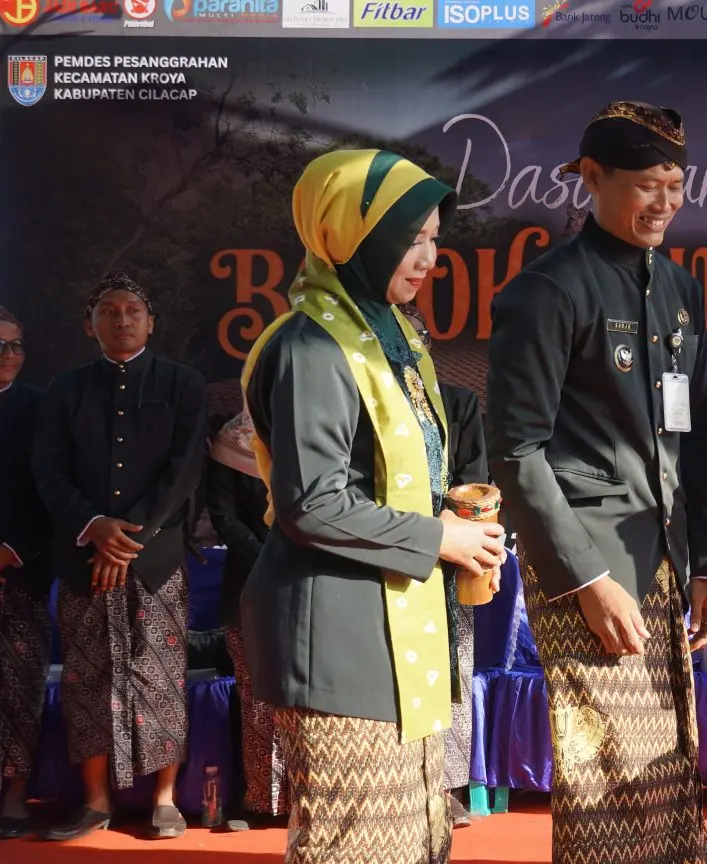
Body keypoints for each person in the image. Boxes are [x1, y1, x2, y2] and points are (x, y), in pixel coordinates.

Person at [240, 149, 506, 864]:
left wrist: (463, 522)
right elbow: (312, 504)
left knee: (415, 836)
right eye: (407, 237)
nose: (426, 258)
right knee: (357, 842)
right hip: (340, 633)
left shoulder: (392, 339)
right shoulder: (312, 346)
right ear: (348, 235)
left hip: (399, 620)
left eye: (433, 240)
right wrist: (440, 539)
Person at [485, 101, 707, 864]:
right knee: (607, 769)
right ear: (592, 178)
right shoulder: (547, 291)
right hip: (588, 563)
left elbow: (699, 436)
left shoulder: (680, 291)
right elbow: (517, 452)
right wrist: (586, 578)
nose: (665, 203)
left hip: (664, 558)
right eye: (648, 184)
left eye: (677, 186)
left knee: (665, 760)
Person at [32, 274, 207, 841]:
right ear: (90, 326)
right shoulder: (66, 389)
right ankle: (96, 800)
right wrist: (94, 527)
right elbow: (49, 471)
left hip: (156, 561)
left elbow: (183, 472)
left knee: (159, 676)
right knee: (88, 679)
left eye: (134, 310)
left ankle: (163, 800)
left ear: (151, 322)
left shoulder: (182, 383)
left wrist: (129, 539)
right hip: (85, 558)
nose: (123, 320)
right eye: (109, 312)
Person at [401, 303, 488, 829]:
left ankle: (445, 785)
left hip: (450, 559)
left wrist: (446, 528)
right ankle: (406, 782)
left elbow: (477, 479)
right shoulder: (372, 405)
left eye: (416, 341)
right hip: (388, 553)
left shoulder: (458, 403)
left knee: (451, 670)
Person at [204, 409, 286, 823]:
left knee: (306, 696)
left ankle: (309, 796)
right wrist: (268, 559)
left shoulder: (311, 432)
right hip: (248, 585)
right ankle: (260, 800)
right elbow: (223, 516)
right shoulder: (228, 443)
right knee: (255, 697)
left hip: (310, 584)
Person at [0, 306, 52, 840]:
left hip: (23, 570)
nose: (9, 356)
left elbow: (52, 491)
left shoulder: (40, 408)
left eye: (16, 345)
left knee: (20, 689)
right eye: (0, 346)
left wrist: (13, 551)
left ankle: (15, 796)